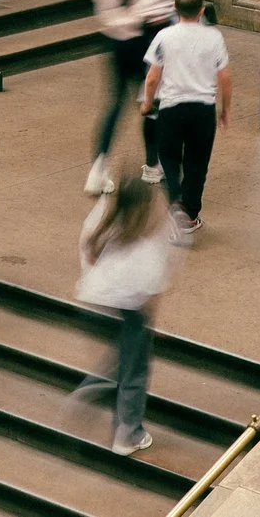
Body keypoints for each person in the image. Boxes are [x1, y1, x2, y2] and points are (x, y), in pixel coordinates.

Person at [72, 177, 172, 458]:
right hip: (129, 312)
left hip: (92, 306)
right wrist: (153, 324)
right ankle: (128, 434)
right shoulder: (146, 245)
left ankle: (94, 386)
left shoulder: (104, 226)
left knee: (120, 359)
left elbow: (88, 256)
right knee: (134, 371)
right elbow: (151, 293)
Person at [87, 0, 173, 196]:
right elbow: (160, 11)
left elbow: (101, 9)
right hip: (146, 44)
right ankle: (152, 166)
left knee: (115, 104)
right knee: (150, 103)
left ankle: (99, 167)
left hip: (115, 43)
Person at [141, 0, 228, 242]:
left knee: (169, 158)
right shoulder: (214, 37)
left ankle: (176, 206)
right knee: (197, 163)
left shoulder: (164, 37)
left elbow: (152, 77)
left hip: (171, 108)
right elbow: (225, 77)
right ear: (202, 10)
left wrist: (147, 103)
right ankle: (190, 214)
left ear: (175, 8)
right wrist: (224, 109)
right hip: (203, 110)